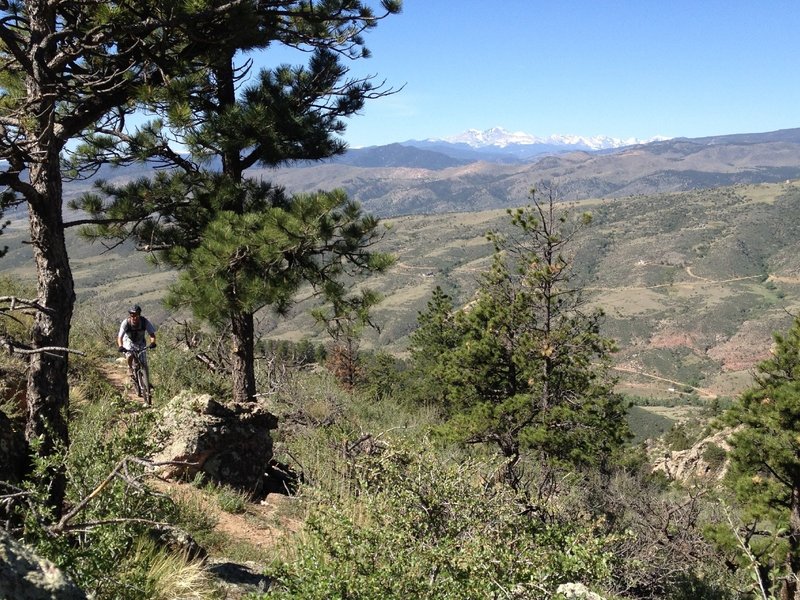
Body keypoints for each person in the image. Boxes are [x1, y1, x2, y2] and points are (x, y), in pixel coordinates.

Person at [117, 304, 157, 393]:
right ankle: (129, 367)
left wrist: (153, 342)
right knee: (130, 354)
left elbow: (152, 334)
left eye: (136, 315)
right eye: (132, 315)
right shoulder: (126, 323)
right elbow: (120, 337)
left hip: (140, 342)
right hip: (128, 341)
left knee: (144, 364)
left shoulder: (144, 321)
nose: (134, 317)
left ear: (139, 314)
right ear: (130, 315)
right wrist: (121, 346)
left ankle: (146, 381)